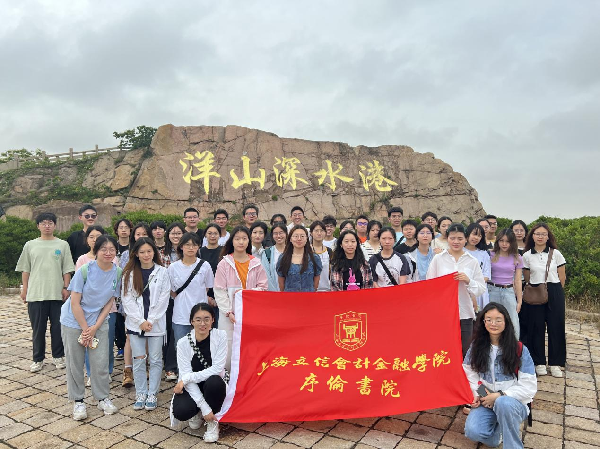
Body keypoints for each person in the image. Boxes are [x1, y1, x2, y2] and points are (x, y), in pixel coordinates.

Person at [60, 235, 121, 420]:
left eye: (112, 249)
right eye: (104, 249)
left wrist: (94, 327)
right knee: (75, 363)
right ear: (96, 250)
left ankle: (102, 398)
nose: (108, 253)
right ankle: (78, 401)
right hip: (74, 321)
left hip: (98, 322)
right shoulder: (85, 270)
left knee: (100, 362)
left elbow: (110, 301)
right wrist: (86, 328)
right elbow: (75, 302)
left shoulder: (117, 272)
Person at [463, 303, 536, 449]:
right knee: (472, 431)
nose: (493, 324)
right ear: (483, 322)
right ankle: (501, 432)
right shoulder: (477, 346)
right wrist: (481, 393)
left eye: (498, 320)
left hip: (513, 403)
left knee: (503, 403)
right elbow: (469, 371)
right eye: (489, 319)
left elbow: (529, 386)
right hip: (486, 401)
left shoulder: (519, 349)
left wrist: (499, 395)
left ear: (506, 322)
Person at [16, 212, 74, 373]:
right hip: (36, 294)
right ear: (38, 226)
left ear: (55, 225)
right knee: (38, 329)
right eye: (43, 223)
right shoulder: (30, 245)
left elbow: (67, 269)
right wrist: (25, 289)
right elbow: (25, 270)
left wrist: (66, 287)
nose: (47, 226)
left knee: (58, 328)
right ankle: (38, 359)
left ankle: (58, 356)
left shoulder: (62, 245)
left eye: (50, 223)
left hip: (57, 294)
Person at [122, 237, 170, 411]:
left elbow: (164, 298)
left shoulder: (162, 272)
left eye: (149, 251)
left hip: (155, 324)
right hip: (136, 325)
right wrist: (141, 321)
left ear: (154, 252)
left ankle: (152, 393)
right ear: (136, 254)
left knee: (156, 360)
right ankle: (141, 392)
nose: (146, 255)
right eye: (142, 252)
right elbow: (127, 300)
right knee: (139, 359)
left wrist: (151, 320)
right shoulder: (129, 273)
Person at [171, 303, 227, 443]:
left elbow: (217, 368)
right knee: (181, 411)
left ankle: (212, 422)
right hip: (192, 386)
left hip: (211, 385)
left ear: (213, 320)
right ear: (192, 321)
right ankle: (198, 412)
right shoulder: (183, 343)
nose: (203, 323)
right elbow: (185, 374)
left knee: (215, 382)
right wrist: (204, 407)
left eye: (207, 319)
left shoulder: (220, 336)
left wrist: (187, 378)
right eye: (198, 319)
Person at [427, 223, 486, 357]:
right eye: (452, 238)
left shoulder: (472, 261)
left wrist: (468, 281)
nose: (456, 242)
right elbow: (430, 285)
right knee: (443, 350)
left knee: (465, 350)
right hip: (443, 313)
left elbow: (481, 288)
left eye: (460, 238)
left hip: (464, 312)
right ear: (447, 239)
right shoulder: (438, 259)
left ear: (466, 239)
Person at [214, 226, 268, 370]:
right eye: (237, 239)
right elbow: (219, 291)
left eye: (244, 238)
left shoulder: (256, 263)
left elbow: (263, 287)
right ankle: (227, 376)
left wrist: (246, 292)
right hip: (228, 315)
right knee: (228, 345)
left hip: (251, 313)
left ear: (249, 241)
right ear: (232, 241)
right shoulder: (224, 264)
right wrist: (228, 311)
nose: (241, 242)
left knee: (250, 344)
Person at [520, 223, 566, 378]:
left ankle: (555, 363)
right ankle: (539, 362)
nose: (540, 237)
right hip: (534, 291)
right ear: (532, 236)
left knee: (556, 326)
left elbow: (562, 277)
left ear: (548, 237)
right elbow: (527, 277)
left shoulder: (556, 253)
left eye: (543, 234)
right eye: (537, 234)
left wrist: (555, 291)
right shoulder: (526, 255)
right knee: (536, 327)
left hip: (554, 290)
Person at [75, 225, 118, 385]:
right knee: (89, 341)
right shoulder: (83, 261)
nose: (95, 239)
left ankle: (107, 371)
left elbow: (113, 289)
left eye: (98, 236)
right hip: (88, 311)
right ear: (87, 240)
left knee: (107, 342)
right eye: (92, 237)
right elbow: (78, 290)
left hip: (109, 310)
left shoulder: (114, 262)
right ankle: (91, 373)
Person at [168, 232, 214, 349]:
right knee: (182, 348)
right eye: (187, 245)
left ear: (199, 247)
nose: (191, 248)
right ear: (181, 246)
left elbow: (207, 287)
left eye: (194, 245)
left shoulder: (205, 266)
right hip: (181, 315)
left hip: (201, 315)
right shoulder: (173, 267)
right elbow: (171, 291)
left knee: (202, 348)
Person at [120, 222, 150, 388]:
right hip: (131, 303)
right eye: (138, 234)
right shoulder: (127, 254)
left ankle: (143, 365)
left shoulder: (152, 253)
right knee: (130, 337)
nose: (141, 237)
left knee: (146, 335)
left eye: (145, 233)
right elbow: (122, 277)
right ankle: (128, 370)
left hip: (149, 304)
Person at [489, 229, 523, 339]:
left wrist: (519, 300)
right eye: (501, 241)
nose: (504, 244)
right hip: (492, 290)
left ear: (512, 242)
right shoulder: (490, 255)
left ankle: (514, 347)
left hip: (508, 291)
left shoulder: (517, 257)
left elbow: (518, 280)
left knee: (512, 321)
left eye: (507, 241)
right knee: (491, 320)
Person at [163, 222, 186, 381]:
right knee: (169, 332)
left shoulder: (189, 251)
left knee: (181, 332)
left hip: (185, 299)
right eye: (173, 233)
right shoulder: (162, 253)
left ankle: (182, 365)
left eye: (179, 233)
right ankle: (169, 366)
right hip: (168, 298)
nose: (176, 236)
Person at [277, 225, 322, 292]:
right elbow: (281, 283)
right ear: (290, 239)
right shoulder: (283, 258)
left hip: (309, 296)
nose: (299, 239)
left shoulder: (314, 258)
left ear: (307, 239)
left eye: (302, 236)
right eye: (296, 236)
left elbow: (316, 283)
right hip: (289, 297)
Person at [113, 218, 132, 362]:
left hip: (129, 286)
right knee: (118, 319)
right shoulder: (112, 246)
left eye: (126, 227)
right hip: (116, 286)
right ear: (116, 230)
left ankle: (132, 346)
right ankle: (120, 346)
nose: (124, 230)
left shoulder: (134, 247)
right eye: (121, 227)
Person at [464, 223, 491, 312]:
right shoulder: (460, 251)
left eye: (479, 236)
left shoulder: (484, 254)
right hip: (464, 289)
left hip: (479, 290)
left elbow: (486, 274)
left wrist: (475, 284)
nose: (476, 238)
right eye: (474, 234)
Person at [200, 223, 222, 326]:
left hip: (221, 294)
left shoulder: (224, 251)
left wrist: (219, 298)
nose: (212, 236)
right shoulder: (200, 252)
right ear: (205, 235)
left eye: (215, 233)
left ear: (220, 235)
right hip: (204, 294)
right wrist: (206, 296)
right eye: (209, 233)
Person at [261, 224, 288, 291]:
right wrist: (274, 293)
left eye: (281, 233)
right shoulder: (267, 253)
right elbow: (266, 275)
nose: (278, 236)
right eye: (275, 233)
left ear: (286, 234)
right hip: (274, 292)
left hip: (292, 292)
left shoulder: (294, 251)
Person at [310, 221, 332, 292]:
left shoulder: (329, 251)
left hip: (327, 290)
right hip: (311, 291)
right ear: (311, 233)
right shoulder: (307, 251)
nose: (319, 233)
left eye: (322, 230)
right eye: (316, 231)